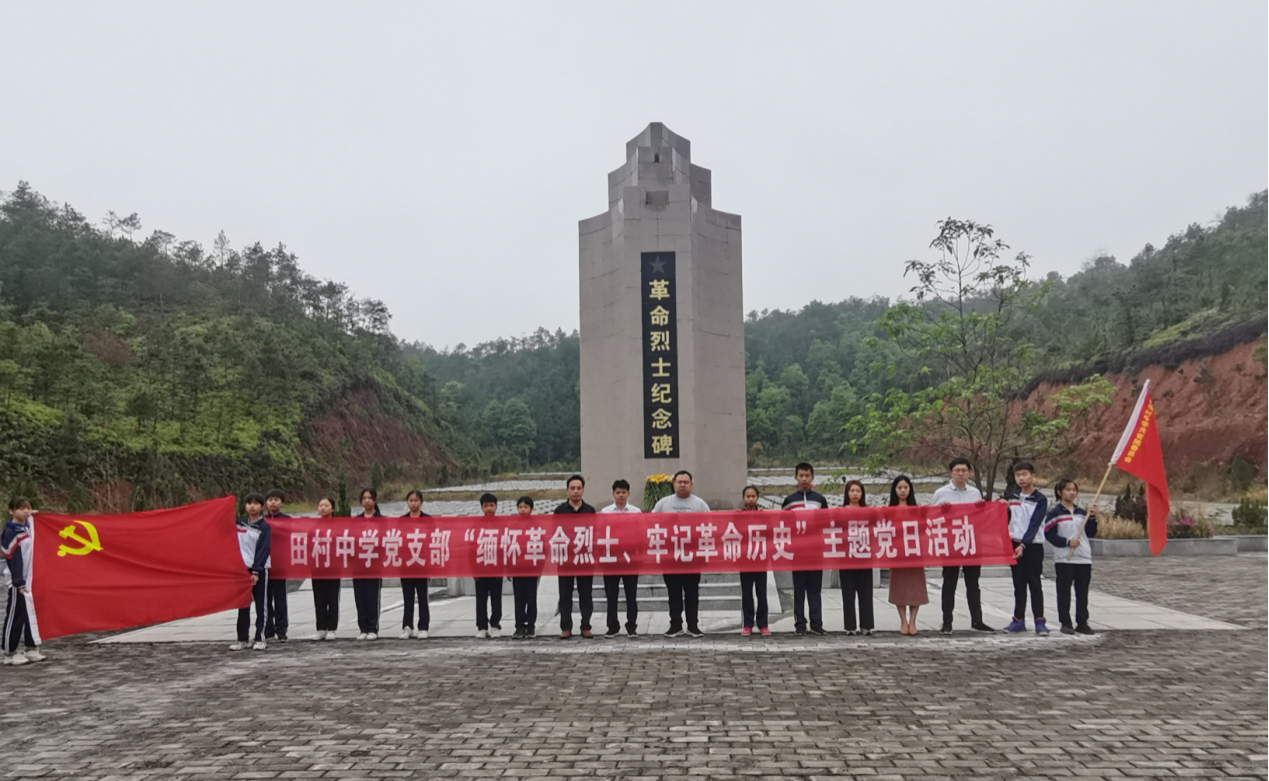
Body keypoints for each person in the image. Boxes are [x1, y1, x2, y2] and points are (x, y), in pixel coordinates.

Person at [934, 458, 994, 633]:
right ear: (950, 473)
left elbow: (981, 519)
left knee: (973, 584)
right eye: (957, 470)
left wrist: (982, 508)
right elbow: (932, 519)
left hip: (971, 542)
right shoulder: (941, 493)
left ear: (969, 473)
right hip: (951, 543)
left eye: (964, 470)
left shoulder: (975, 493)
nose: (960, 473)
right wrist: (942, 511)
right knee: (949, 583)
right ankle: (947, 622)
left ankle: (977, 620)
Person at [653, 470, 711, 638]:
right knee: (674, 593)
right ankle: (675, 625)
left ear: (691, 484)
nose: (683, 485)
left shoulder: (700, 505)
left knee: (692, 592)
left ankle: (693, 625)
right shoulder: (663, 504)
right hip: (670, 558)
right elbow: (651, 525)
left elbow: (709, 527)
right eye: (679, 482)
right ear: (673, 484)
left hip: (693, 558)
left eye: (686, 482)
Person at [1044, 479, 1099, 635]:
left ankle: (1082, 622)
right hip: (1064, 558)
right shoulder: (1055, 513)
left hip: (1083, 558)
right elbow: (1049, 534)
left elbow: (1090, 533)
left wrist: (1093, 518)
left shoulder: (1082, 513)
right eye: (1068, 490)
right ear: (1060, 492)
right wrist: (1067, 542)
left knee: (1082, 592)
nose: (1071, 492)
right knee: (1064, 591)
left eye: (1074, 490)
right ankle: (1065, 622)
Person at [782, 463, 829, 636]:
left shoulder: (819, 500)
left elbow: (826, 523)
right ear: (795, 477)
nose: (804, 479)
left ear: (812, 477)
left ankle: (816, 623)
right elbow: (783, 525)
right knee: (799, 590)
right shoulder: (789, 501)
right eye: (801, 475)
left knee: (815, 590)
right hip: (798, 553)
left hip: (816, 552)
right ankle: (800, 624)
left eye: (807, 475)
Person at [1004, 462, 1050, 635]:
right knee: (1018, 585)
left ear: (1033, 476)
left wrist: (1024, 544)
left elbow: (1035, 524)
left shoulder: (1040, 499)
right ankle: (1018, 620)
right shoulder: (1013, 496)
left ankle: (1039, 621)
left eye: (1024, 474)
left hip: (1032, 546)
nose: (1021, 478)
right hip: (1014, 544)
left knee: (1035, 584)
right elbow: (1007, 519)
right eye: (1018, 475)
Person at [2, 497, 45, 666]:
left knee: (31, 614)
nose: (25, 511)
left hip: (31, 580)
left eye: (28, 508)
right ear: (12, 511)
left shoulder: (28, 526)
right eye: (21, 509)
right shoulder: (10, 532)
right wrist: (18, 582)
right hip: (17, 582)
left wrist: (34, 516)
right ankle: (9, 652)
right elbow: (14, 560)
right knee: (15, 616)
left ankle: (31, 647)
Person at [554, 475, 596, 639]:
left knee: (586, 594)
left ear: (583, 490)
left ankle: (585, 626)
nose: (576, 491)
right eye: (572, 488)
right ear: (567, 490)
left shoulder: (590, 510)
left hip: (584, 558)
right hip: (565, 559)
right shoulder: (560, 510)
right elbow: (555, 533)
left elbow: (594, 532)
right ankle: (566, 627)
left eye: (579, 488)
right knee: (565, 594)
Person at [887, 476, 929, 636]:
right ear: (895, 490)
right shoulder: (888, 510)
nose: (903, 490)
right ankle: (903, 621)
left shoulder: (918, 510)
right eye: (899, 488)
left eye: (905, 487)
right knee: (899, 588)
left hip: (915, 554)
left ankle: (913, 621)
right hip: (897, 554)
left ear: (910, 489)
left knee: (915, 588)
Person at [600, 479, 641, 639]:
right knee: (611, 595)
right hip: (611, 560)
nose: (621, 495)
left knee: (631, 595)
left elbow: (640, 533)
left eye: (624, 492)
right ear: (613, 494)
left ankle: (632, 627)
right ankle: (612, 627)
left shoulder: (636, 512)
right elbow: (601, 533)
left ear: (628, 494)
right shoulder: (605, 512)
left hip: (630, 560)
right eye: (618, 492)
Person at [230, 493, 271, 652]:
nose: (252, 506)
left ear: (262, 507)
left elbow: (263, 549)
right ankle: (242, 638)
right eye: (249, 503)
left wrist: (256, 571)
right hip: (241, 570)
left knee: (261, 605)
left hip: (259, 569)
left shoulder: (264, 527)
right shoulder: (238, 523)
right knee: (242, 605)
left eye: (255, 504)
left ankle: (260, 638)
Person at [839, 480, 874, 636]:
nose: (855, 494)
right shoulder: (840, 511)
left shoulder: (869, 511)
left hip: (865, 557)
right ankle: (850, 627)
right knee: (848, 594)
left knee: (866, 593)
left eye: (858, 491)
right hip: (846, 558)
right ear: (847, 493)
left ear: (862, 493)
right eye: (852, 491)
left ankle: (867, 625)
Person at [738, 486, 770, 638]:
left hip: (761, 559)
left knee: (762, 593)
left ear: (757, 497)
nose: (750, 499)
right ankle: (747, 624)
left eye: (753, 496)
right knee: (747, 594)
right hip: (745, 560)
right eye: (748, 496)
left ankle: (763, 624)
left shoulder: (763, 515)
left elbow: (770, 533)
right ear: (743, 498)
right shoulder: (738, 516)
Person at [400, 489, 431, 640]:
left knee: (423, 597)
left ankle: (423, 626)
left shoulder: (428, 519)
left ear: (421, 502)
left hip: (422, 564)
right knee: (408, 598)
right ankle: (407, 626)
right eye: (411, 500)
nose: (413, 503)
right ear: (407, 502)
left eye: (416, 500)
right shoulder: (402, 520)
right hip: (406, 565)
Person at [353, 488, 384, 640]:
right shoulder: (356, 520)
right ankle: (363, 628)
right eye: (364, 498)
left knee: (373, 596)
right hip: (358, 565)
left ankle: (373, 628)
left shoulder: (381, 520)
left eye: (370, 498)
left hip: (374, 564)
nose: (367, 500)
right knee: (360, 597)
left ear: (375, 500)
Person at [262, 488, 291, 642]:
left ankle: (281, 630)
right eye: (270, 500)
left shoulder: (287, 520)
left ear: (282, 503)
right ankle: (268, 630)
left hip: (280, 564)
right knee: (265, 599)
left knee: (280, 598)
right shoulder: (261, 521)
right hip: (264, 565)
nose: (273, 502)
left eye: (276, 500)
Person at [474, 493, 504, 639]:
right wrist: (473, 569)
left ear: (496, 506)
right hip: (480, 569)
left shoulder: (502, 524)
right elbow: (470, 549)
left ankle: (495, 625)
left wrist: (504, 568)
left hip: (496, 569)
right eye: (486, 506)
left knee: (496, 599)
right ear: (481, 507)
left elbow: (505, 547)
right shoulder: (476, 525)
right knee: (481, 599)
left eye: (491, 505)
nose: (489, 508)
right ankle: (482, 626)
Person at [311, 496, 340, 641]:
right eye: (321, 505)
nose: (323, 508)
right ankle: (321, 628)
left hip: (333, 567)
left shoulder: (338, 525)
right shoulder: (313, 525)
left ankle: (332, 628)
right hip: (317, 567)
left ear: (332, 509)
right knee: (319, 598)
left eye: (326, 505)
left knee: (332, 598)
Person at [511, 496, 539, 640]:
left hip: (532, 568)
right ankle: (519, 626)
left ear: (531, 509)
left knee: (531, 598)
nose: (523, 509)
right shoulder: (512, 526)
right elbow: (507, 548)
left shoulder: (537, 526)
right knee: (519, 599)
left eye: (526, 507)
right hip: (517, 568)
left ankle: (531, 626)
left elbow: (542, 548)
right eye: (520, 507)